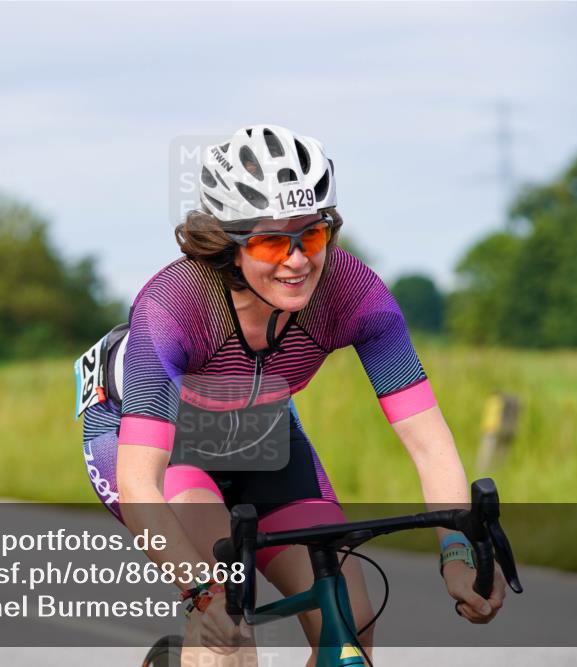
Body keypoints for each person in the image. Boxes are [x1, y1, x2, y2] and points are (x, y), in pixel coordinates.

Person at [78, 125, 505, 666]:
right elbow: (141, 480)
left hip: (259, 431)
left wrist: (457, 551)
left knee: (351, 625)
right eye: (272, 241)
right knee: (228, 627)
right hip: (155, 442)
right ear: (228, 245)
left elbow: (428, 442)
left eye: (313, 234)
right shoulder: (174, 306)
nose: (298, 260)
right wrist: (200, 594)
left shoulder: (355, 294)